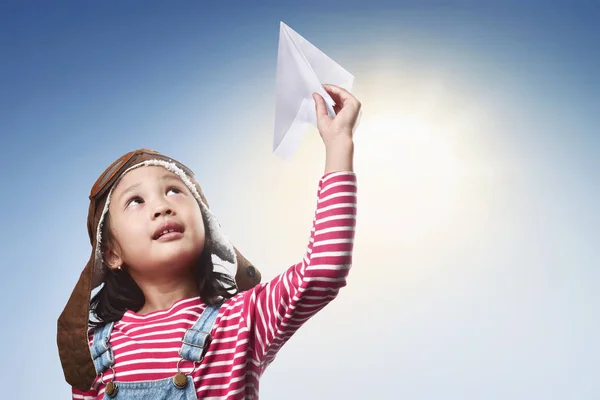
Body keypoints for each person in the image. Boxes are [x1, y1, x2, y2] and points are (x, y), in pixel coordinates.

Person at [58, 84, 361, 399]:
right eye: (136, 201)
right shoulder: (90, 353)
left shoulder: (244, 319)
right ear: (111, 252)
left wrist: (339, 142)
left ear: (207, 226)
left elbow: (323, 271)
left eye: (174, 190)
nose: (162, 206)